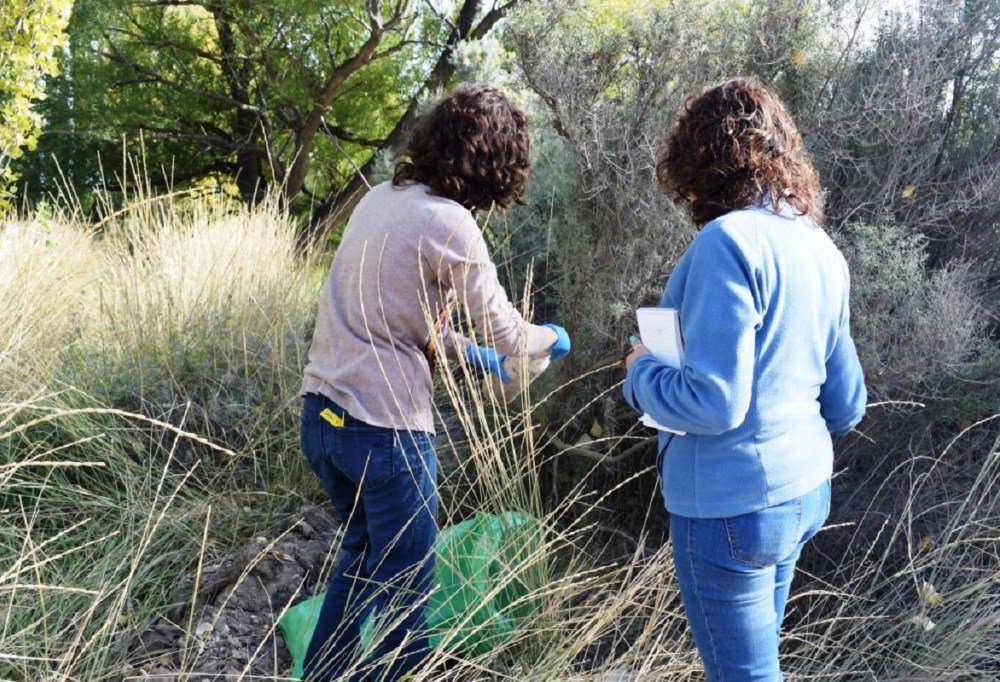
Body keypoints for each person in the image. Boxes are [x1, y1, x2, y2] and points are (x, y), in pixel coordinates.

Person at [299, 84, 570, 682]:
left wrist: (476, 357)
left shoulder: (380, 199)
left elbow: (411, 327)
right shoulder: (451, 223)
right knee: (407, 594)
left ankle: (322, 675)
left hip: (322, 419)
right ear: (495, 164)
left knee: (362, 560)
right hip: (386, 432)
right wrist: (552, 335)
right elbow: (511, 334)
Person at [623, 77, 867, 681]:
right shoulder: (821, 248)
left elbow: (714, 403)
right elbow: (847, 405)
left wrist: (639, 370)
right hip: (803, 493)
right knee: (757, 667)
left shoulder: (726, 242)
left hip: (730, 506)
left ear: (701, 162)